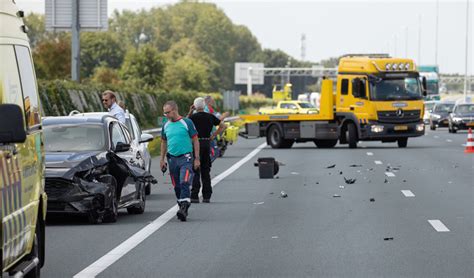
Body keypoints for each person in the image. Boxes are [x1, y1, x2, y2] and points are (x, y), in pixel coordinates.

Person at [160, 101, 200, 221]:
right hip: (172, 159)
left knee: (184, 181)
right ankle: (182, 204)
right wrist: (162, 159)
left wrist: (197, 158)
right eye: (164, 113)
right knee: (177, 186)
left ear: (174, 110)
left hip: (186, 157)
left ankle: (183, 208)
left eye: (167, 112)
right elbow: (163, 142)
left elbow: (195, 140)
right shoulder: (165, 125)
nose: (165, 115)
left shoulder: (187, 122)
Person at [188, 97, 226, 203]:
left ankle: (194, 195)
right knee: (206, 170)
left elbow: (184, 123)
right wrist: (214, 135)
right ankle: (206, 196)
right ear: (204, 106)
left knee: (196, 169)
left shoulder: (192, 118)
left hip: (196, 144)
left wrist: (190, 111)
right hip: (206, 143)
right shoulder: (210, 116)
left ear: (195, 106)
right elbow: (223, 126)